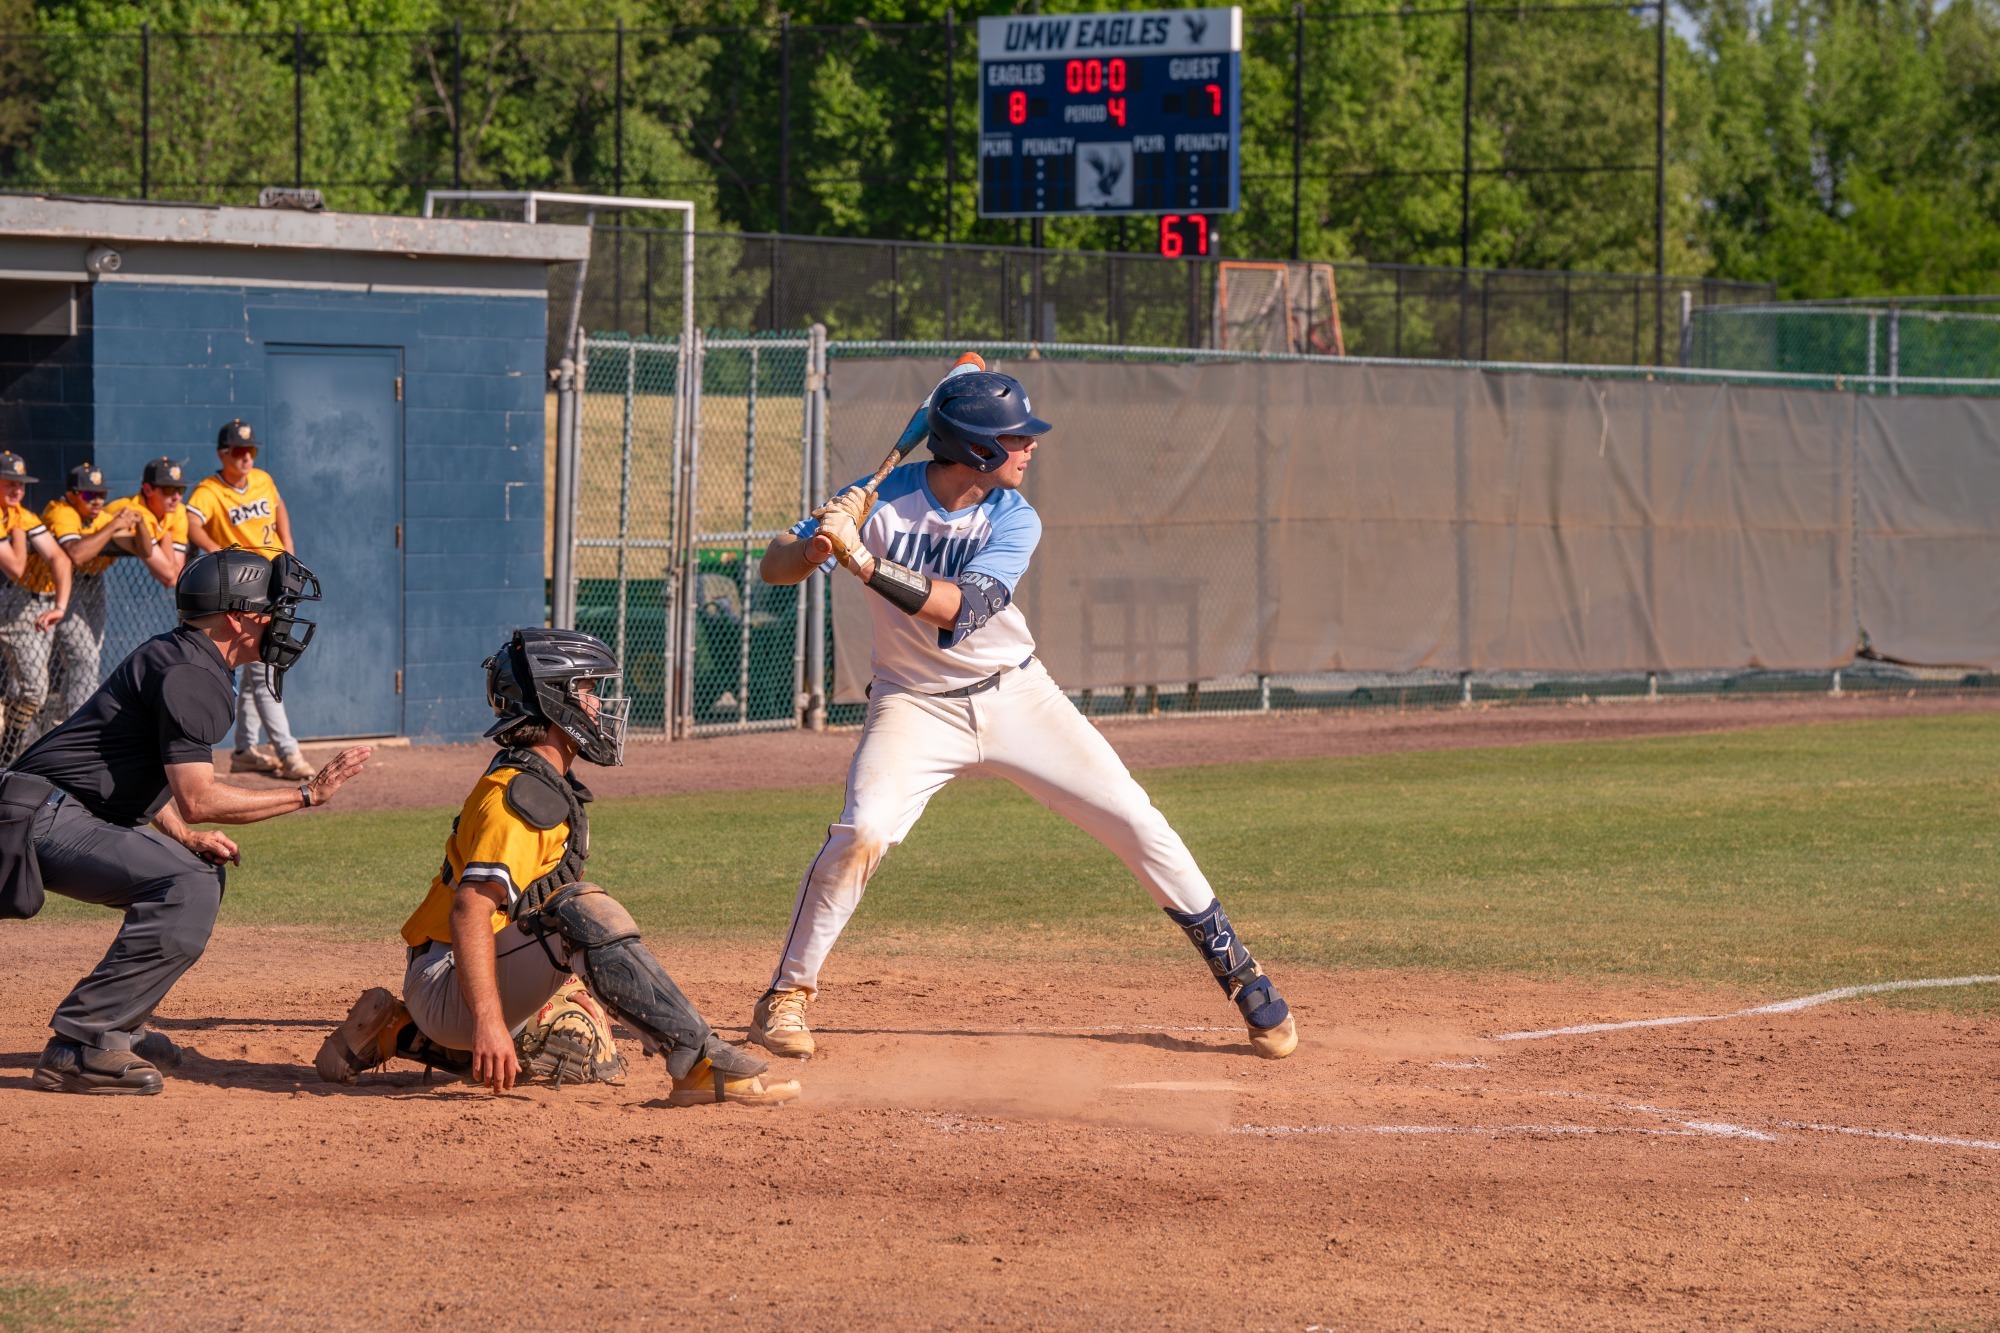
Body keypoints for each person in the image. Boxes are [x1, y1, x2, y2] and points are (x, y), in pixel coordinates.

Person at [748, 368, 1299, 1062]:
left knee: (1136, 819)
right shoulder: (878, 497)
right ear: (975, 449)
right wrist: (816, 545)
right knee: (864, 830)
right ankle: (787, 995)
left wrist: (861, 561)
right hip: (912, 704)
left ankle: (1240, 972)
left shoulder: (1014, 516)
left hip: (1017, 696)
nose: (1031, 447)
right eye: (1016, 438)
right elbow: (774, 568)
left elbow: (959, 609)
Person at [314, 628, 799, 1108]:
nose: (597, 704)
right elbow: (469, 911)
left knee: (584, 1047)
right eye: (587, 690)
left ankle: (395, 1031)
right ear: (553, 701)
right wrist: (488, 1023)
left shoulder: (538, 779)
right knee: (580, 909)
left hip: (465, 970)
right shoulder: (522, 798)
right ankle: (701, 1063)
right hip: (449, 980)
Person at [6, 547, 370, 1095]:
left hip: (47, 810)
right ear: (237, 617)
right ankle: (82, 1044)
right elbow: (198, 797)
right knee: (186, 884)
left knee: (196, 869)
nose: (280, 620)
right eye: (271, 608)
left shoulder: (183, 656)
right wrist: (307, 794)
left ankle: (121, 1027)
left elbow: (134, 774)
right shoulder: (192, 673)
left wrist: (185, 834)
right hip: (38, 816)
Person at [187, 419, 310, 781]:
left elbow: (279, 505)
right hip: (247, 588)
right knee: (265, 666)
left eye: (251, 450)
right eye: (239, 451)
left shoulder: (262, 479)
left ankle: (243, 751)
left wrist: (288, 545)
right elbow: (191, 522)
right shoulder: (210, 490)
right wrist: (219, 555)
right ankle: (289, 753)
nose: (246, 457)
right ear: (222, 454)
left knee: (256, 665)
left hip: (277, 579)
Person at [21, 463, 145, 738]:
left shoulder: (99, 516)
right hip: (44, 589)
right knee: (77, 659)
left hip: (87, 585)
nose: (97, 501)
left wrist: (139, 523)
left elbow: (144, 549)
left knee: (86, 658)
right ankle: (72, 730)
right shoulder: (62, 511)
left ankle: (64, 723)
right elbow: (76, 554)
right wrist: (113, 525)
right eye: (89, 495)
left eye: (101, 494)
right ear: (72, 494)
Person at [0, 451, 70, 765]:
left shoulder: (21, 515)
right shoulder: (16, 522)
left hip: (22, 605)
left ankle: (6, 755)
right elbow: (16, 567)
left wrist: (60, 606)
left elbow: (59, 557)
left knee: (34, 690)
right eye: (9, 483)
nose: (17, 490)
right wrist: (18, 533)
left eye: (21, 484)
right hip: (13, 601)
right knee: (32, 689)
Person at [102, 457, 192, 590]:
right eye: (168, 490)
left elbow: (176, 577)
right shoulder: (135, 512)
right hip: (77, 568)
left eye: (180, 490)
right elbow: (168, 576)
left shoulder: (178, 512)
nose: (176, 497)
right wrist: (167, 535)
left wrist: (166, 536)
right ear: (148, 490)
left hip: (94, 571)